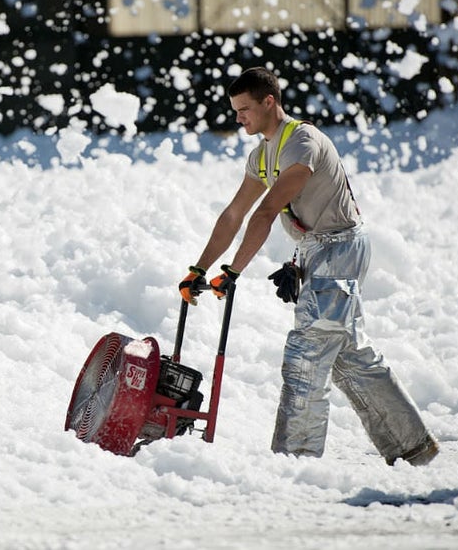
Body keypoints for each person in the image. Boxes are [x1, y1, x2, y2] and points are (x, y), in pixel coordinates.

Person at [179, 67, 438, 466]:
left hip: (340, 247)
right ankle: (412, 445)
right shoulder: (261, 155)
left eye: (245, 109)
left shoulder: (301, 142)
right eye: (235, 111)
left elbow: (265, 211)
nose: (238, 118)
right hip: (317, 250)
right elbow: (234, 214)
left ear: (270, 102)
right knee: (348, 353)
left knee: (308, 352)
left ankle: (293, 460)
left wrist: (232, 272)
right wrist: (198, 269)